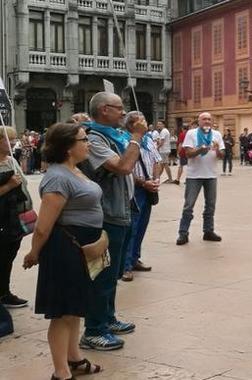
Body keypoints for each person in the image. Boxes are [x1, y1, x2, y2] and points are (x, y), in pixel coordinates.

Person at [22, 123, 105, 379]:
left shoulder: (75, 170)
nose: (88, 143)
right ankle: (61, 372)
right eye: (83, 139)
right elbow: (44, 226)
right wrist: (34, 253)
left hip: (83, 247)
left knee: (75, 307)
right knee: (62, 312)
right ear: (69, 147)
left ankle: (74, 358)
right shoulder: (58, 177)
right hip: (65, 249)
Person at [80, 92, 145, 350]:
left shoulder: (113, 135)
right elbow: (123, 167)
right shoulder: (94, 138)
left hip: (123, 210)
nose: (124, 112)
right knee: (103, 274)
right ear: (104, 110)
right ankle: (94, 330)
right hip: (106, 214)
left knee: (113, 272)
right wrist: (137, 137)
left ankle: (107, 318)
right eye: (119, 108)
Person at [122, 112, 161, 282]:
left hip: (149, 187)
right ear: (131, 125)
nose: (146, 123)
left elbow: (157, 161)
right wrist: (143, 182)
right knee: (132, 227)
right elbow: (126, 168)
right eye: (141, 120)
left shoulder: (149, 140)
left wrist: (155, 178)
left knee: (142, 225)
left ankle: (135, 258)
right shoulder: (125, 141)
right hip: (135, 189)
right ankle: (126, 266)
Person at [176, 112, 225, 245]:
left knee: (210, 205)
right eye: (204, 119)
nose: (207, 121)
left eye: (209, 119)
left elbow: (222, 154)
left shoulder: (217, 135)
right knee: (188, 206)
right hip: (194, 175)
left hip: (211, 175)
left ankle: (208, 231)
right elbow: (187, 153)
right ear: (199, 121)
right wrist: (199, 151)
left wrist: (218, 150)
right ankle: (183, 233)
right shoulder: (191, 134)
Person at [0, 126, 33, 308]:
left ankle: (4, 292)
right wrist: (9, 186)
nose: (12, 142)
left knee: (8, 257)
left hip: (15, 218)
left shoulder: (12, 160)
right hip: (2, 219)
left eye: (13, 138)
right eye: (8, 139)